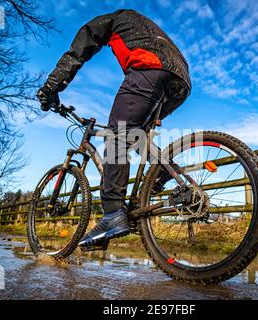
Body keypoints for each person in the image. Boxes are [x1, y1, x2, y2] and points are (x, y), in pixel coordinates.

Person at [37, 9, 191, 250]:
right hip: (180, 80)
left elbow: (79, 51)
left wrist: (50, 89)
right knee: (133, 134)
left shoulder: (109, 20)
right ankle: (159, 174)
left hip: (150, 69)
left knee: (116, 137)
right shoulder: (144, 28)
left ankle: (112, 214)